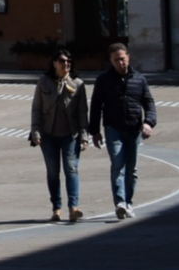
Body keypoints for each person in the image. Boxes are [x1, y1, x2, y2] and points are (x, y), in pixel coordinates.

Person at [88, 41, 157, 219]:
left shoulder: (139, 79)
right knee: (118, 165)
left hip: (134, 128)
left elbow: (149, 102)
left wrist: (149, 122)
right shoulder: (103, 80)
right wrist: (94, 131)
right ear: (111, 61)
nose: (121, 63)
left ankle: (128, 203)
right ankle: (119, 202)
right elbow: (95, 106)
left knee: (132, 169)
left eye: (123, 59)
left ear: (128, 57)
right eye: (117, 60)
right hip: (113, 128)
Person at [29, 50, 89, 222]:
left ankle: (73, 207)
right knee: (53, 172)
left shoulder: (78, 84)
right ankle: (56, 208)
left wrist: (84, 136)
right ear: (54, 63)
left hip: (71, 134)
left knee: (71, 168)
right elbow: (36, 108)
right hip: (48, 135)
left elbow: (83, 112)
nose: (66, 64)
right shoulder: (44, 82)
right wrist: (36, 131)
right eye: (62, 61)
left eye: (69, 61)